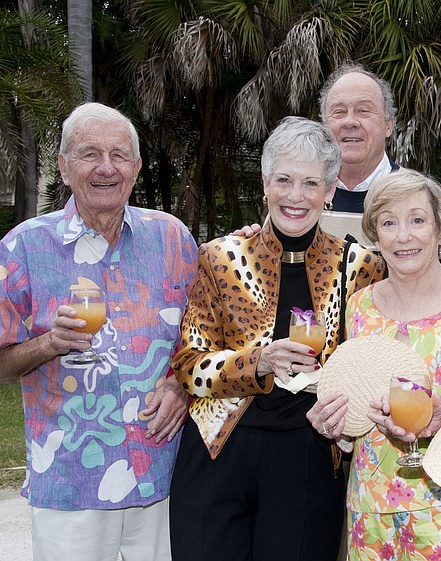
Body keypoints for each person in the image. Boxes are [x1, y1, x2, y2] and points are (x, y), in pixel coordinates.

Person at [0, 102, 198, 560]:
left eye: (119, 155)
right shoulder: (24, 246)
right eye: (89, 154)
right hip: (69, 483)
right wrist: (47, 344)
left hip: (163, 475)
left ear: (137, 168)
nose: (106, 167)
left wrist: (181, 384)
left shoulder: (173, 238)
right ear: (63, 167)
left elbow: (202, 337)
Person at [168, 116, 385, 561]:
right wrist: (259, 362)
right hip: (218, 450)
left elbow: (369, 364)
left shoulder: (362, 268)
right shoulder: (221, 258)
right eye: (283, 180)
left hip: (307, 456)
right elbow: (189, 366)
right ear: (265, 183)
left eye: (310, 183)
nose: (295, 195)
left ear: (329, 192)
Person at [306, 169, 441, 559]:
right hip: (370, 514)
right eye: (389, 223)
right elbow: (353, 413)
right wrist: (334, 426)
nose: (403, 236)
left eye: (417, 220)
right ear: (376, 235)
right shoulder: (358, 308)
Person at [317, 62, 441, 278]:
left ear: (389, 125)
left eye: (364, 110)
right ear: (324, 125)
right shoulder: (299, 199)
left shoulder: (426, 199)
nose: (350, 121)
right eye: (339, 112)